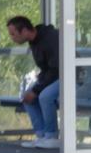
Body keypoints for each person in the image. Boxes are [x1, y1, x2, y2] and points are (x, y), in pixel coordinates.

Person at [4, 13, 62, 142]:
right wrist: (34, 89)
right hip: (54, 76)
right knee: (26, 97)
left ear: (24, 31)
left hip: (70, 76)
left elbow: (56, 69)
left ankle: (51, 135)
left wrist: (36, 90)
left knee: (44, 96)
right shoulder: (34, 42)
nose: (12, 38)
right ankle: (41, 134)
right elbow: (46, 69)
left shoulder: (51, 38)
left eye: (13, 34)